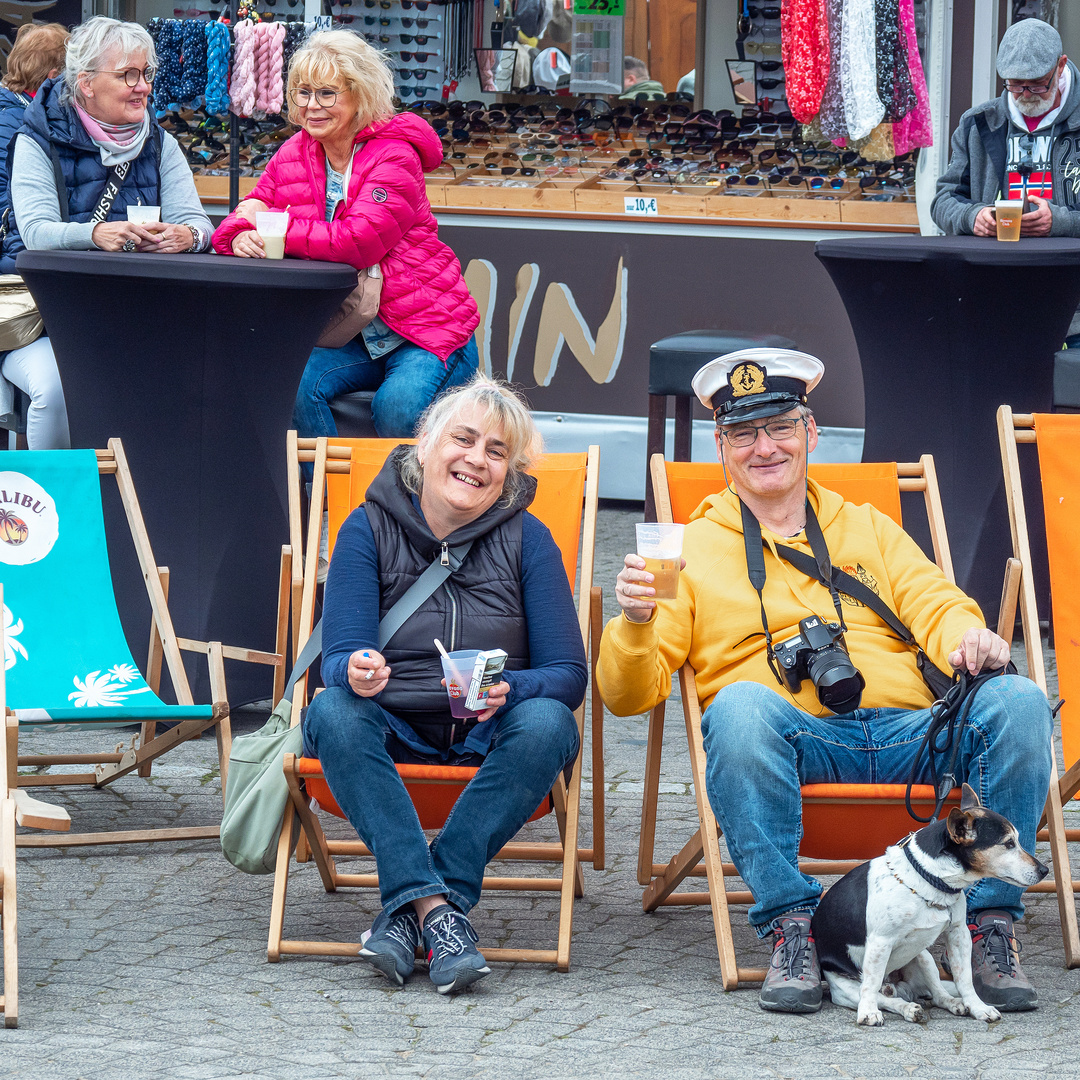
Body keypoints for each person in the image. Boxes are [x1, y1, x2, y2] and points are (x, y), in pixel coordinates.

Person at [597, 348, 1053, 1015]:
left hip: (911, 736)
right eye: (744, 434)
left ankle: (986, 926)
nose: (765, 448)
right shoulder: (689, 548)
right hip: (794, 740)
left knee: (1018, 699)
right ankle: (793, 927)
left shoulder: (864, 524)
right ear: (722, 448)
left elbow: (934, 599)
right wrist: (635, 622)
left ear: (810, 433)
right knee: (739, 707)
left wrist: (967, 632)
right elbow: (625, 696)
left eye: (780, 427)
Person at [302, 373, 585, 994]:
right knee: (333, 712)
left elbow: (569, 675)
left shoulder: (528, 540)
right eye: (464, 439)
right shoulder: (366, 528)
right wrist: (354, 668)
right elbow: (338, 656)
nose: (476, 460)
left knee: (549, 723)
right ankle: (440, 914)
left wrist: (515, 688)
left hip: (488, 734)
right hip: (393, 728)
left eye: (496, 451)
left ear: (508, 471)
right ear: (425, 441)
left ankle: (414, 908)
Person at [212, 30, 479, 442]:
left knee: (397, 408)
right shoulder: (293, 153)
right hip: (351, 328)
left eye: (327, 94)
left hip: (425, 328)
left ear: (361, 95)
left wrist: (274, 228)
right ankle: (331, 502)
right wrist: (236, 238)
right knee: (292, 385)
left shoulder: (395, 154)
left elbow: (357, 242)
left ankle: (396, 506)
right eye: (302, 93)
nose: (311, 106)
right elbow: (243, 215)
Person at [9, 17, 213, 257]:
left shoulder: (159, 142)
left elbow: (199, 224)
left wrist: (190, 236)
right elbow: (36, 233)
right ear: (87, 84)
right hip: (66, 287)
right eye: (127, 75)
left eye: (147, 73)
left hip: (144, 287)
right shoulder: (39, 141)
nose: (144, 86)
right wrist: (95, 234)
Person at [931, 18, 1080, 237]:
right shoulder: (977, 123)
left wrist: (1063, 222)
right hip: (995, 264)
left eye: (1037, 83)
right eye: (1016, 84)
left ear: (1060, 66)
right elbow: (943, 201)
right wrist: (973, 217)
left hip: (1068, 266)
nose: (1026, 94)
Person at [0, 22, 69, 449]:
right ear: (53, 79)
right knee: (52, 388)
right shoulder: (20, 128)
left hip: (27, 300)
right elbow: (17, 228)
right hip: (20, 304)